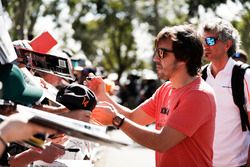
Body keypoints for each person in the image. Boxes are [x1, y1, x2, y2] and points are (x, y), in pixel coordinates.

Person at [86, 24, 216, 167]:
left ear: (184, 57)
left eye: (162, 53)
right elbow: (134, 118)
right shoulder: (166, 88)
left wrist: (117, 120)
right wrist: (102, 94)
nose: (155, 58)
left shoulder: (198, 95)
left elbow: (161, 142)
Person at [198, 18, 250, 167]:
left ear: (227, 45)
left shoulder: (244, 76)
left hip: (236, 164)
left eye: (211, 41)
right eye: (203, 41)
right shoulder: (200, 77)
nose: (205, 46)